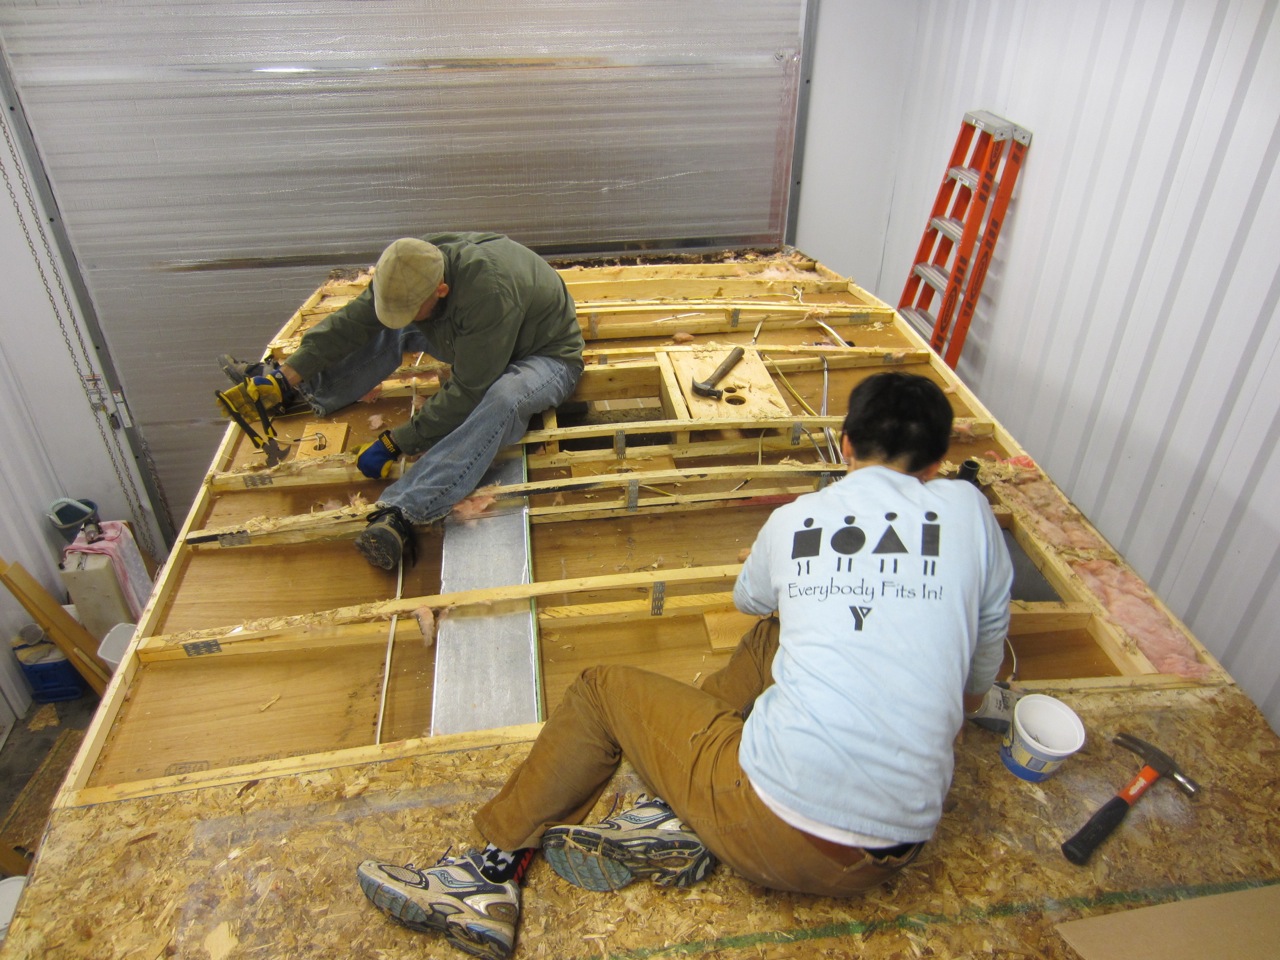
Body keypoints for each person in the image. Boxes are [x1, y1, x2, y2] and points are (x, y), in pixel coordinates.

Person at [354, 371, 1015, 960]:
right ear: (937, 464)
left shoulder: (800, 518)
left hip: (776, 831)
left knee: (599, 691)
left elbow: (749, 598)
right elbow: (979, 667)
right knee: (779, 637)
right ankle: (676, 815)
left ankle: (484, 878)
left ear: (845, 445)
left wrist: (825, 574)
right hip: (899, 846)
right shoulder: (970, 512)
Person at [217, 232, 584, 569]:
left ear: (440, 290)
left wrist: (397, 441)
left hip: (544, 355)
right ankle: (302, 390)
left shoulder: (489, 293)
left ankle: (405, 510)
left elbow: (469, 390)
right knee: (391, 324)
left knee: (504, 397)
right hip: (478, 334)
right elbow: (354, 322)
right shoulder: (409, 266)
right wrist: (289, 373)